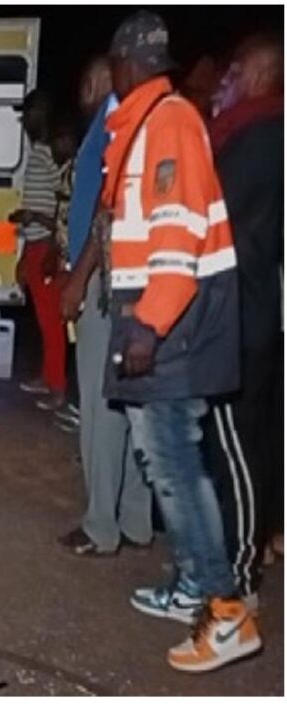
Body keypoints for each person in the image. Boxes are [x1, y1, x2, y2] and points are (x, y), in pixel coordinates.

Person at [103, 10, 260, 672]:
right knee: (160, 455)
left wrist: (151, 321)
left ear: (126, 64)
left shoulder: (166, 122)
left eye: (111, 65)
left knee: (174, 461)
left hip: (171, 323)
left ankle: (227, 613)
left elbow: (178, 229)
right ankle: (194, 584)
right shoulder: (146, 123)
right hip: (156, 317)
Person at [57, 57, 153, 557]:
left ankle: (100, 526)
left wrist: (78, 278)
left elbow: (106, 209)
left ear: (100, 78)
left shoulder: (115, 122)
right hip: (131, 282)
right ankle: (135, 520)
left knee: (99, 406)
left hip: (104, 283)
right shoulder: (145, 119)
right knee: (127, 403)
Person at [202, 34, 284, 609]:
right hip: (258, 314)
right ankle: (259, 542)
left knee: (233, 448)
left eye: (232, 74)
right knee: (254, 439)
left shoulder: (254, 138)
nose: (222, 85)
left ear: (257, 74)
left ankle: (237, 581)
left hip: (241, 315)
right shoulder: (263, 134)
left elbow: (213, 225)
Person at [10, 90, 67, 412]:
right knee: (44, 319)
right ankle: (48, 377)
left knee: (51, 320)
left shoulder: (48, 157)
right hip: (35, 244)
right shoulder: (37, 156)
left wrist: (37, 221)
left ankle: (58, 387)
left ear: (40, 117)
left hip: (46, 245)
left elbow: (64, 205)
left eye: (28, 115)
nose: (24, 121)